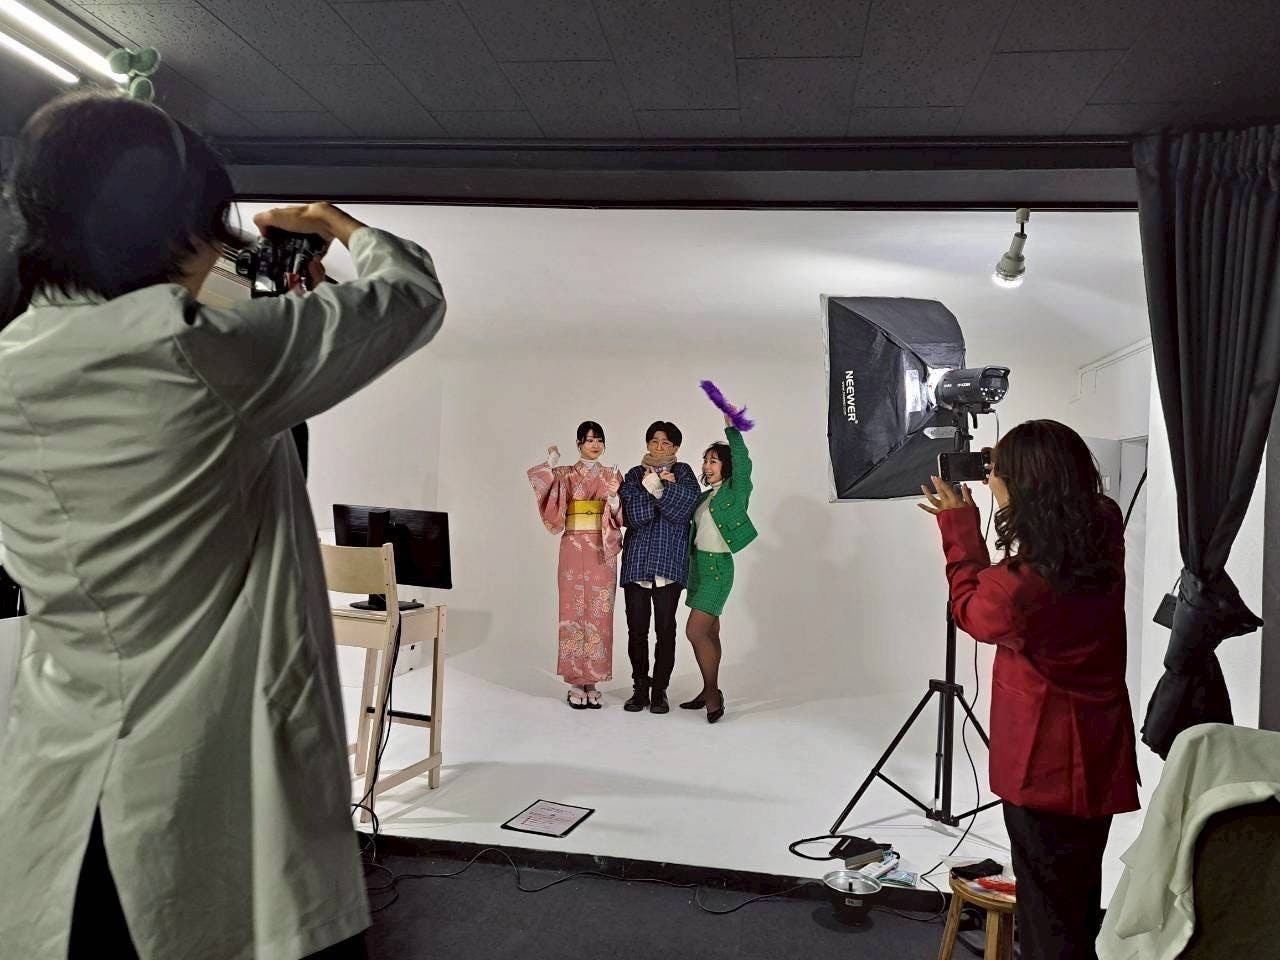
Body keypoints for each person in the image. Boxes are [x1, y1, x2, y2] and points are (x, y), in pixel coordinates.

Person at [0, 91, 446, 960]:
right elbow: (409, 297)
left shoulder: (14, 361)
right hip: (205, 789)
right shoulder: (204, 353)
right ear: (176, 229)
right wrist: (339, 226)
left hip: (60, 784)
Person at [920, 420, 1139, 960]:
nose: (991, 477)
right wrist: (1012, 486)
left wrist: (960, 526)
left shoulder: (1018, 589)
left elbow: (971, 611)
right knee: (1074, 900)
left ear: (1023, 486)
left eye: (997, 471)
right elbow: (1061, 524)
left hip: (1045, 767)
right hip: (1099, 751)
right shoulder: (1104, 528)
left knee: (1046, 916)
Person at [527, 422, 624, 709]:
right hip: (573, 545)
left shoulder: (612, 475)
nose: (595, 445)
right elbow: (542, 485)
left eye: (599, 440)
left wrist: (614, 500)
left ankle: (592, 681)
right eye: (589, 440)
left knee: (600, 611)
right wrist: (550, 463)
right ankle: (574, 682)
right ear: (579, 443)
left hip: (602, 547)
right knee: (573, 610)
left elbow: (621, 516)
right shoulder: (566, 473)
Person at [680, 405, 756, 723]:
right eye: (705, 460)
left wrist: (732, 430)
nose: (707, 466)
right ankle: (707, 688)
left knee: (694, 632)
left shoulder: (736, 492)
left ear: (726, 466)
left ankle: (712, 694)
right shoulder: (704, 497)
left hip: (718, 570)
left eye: (713, 461)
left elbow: (744, 463)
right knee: (710, 633)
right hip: (699, 569)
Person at [617, 420, 700, 714]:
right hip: (637, 563)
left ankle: (660, 690)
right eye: (654, 441)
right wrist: (662, 490)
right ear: (647, 444)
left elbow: (686, 510)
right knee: (636, 630)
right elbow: (632, 515)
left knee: (665, 630)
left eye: (666, 442)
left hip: (669, 562)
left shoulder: (685, 472)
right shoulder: (634, 474)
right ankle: (640, 689)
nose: (659, 447)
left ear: (676, 446)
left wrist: (657, 489)